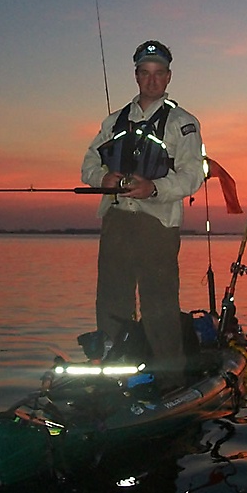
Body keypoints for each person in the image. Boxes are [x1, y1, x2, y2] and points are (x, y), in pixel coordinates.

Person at [81, 40, 205, 388]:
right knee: (111, 299)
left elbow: (193, 175)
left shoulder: (184, 123)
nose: (152, 80)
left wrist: (153, 188)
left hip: (158, 223)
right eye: (145, 73)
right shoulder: (114, 120)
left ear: (168, 77)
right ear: (136, 75)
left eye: (159, 73)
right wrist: (102, 178)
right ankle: (110, 374)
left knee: (159, 304)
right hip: (117, 219)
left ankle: (170, 382)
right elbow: (89, 164)